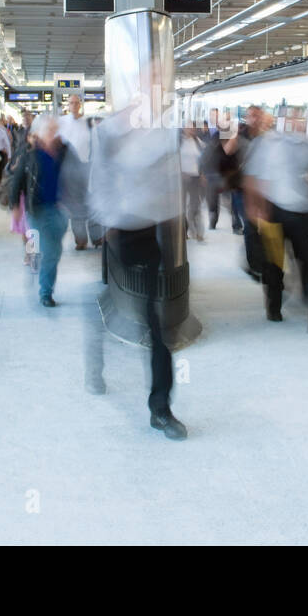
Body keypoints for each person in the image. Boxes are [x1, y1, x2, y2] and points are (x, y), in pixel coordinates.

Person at [88, 98, 188, 440]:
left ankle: (160, 409)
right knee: (109, 302)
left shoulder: (157, 137)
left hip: (151, 236)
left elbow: (171, 182)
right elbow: (97, 187)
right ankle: (95, 361)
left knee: (155, 325)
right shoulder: (109, 136)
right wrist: (107, 224)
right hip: (119, 234)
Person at [246, 105, 308, 333]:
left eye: (301, 118)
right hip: (274, 213)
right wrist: (257, 208)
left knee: (306, 263)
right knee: (274, 264)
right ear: (283, 120)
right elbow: (255, 178)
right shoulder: (268, 144)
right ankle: (274, 306)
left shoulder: (306, 145)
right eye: (295, 118)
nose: (299, 122)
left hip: (301, 214)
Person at [8, 113, 68, 307]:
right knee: (50, 251)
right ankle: (45, 292)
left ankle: (41, 267)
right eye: (49, 129)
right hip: (37, 209)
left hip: (58, 209)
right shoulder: (30, 154)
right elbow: (16, 181)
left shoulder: (63, 151)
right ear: (39, 133)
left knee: (55, 250)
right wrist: (15, 206)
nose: (54, 132)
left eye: (55, 128)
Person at [227, 105, 270, 281]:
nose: (256, 119)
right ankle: (255, 266)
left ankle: (255, 259)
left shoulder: (266, 138)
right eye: (252, 116)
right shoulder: (240, 134)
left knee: (263, 228)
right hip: (242, 189)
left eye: (258, 116)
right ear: (246, 117)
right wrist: (235, 135)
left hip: (261, 188)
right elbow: (228, 151)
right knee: (251, 227)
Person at [58, 93, 100, 250]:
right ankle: (80, 239)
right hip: (69, 172)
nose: (74, 106)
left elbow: (95, 146)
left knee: (92, 202)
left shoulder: (88, 123)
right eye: (71, 103)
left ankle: (97, 238)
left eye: (76, 103)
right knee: (75, 206)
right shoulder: (61, 123)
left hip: (88, 167)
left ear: (80, 104)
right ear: (67, 105)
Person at [180, 123, 206, 242]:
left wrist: (202, 174)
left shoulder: (199, 143)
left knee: (196, 206)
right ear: (184, 128)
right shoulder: (179, 143)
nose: (190, 129)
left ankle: (199, 232)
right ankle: (184, 232)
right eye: (188, 127)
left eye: (192, 127)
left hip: (195, 178)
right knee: (182, 207)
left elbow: (203, 160)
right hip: (181, 179)